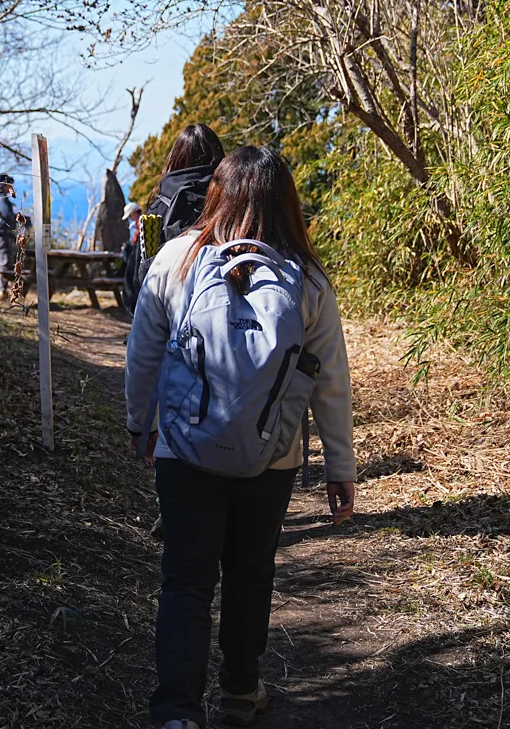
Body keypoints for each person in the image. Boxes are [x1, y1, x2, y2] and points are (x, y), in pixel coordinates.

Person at [125, 146, 355, 729]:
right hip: (271, 457)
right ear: (287, 202)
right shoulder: (308, 281)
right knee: (251, 574)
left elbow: (143, 353)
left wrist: (140, 423)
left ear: (216, 194)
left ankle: (177, 711)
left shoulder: (177, 258)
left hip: (183, 448)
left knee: (185, 580)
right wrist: (339, 469)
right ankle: (239, 691)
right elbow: (331, 383)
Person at [121, 123, 226, 312]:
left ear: (175, 159)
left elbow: (133, 288)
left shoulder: (158, 208)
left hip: (163, 320)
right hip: (220, 317)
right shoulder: (230, 204)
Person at [0, 173, 21, 301]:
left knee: (0, 263)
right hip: (2, 235)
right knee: (5, 264)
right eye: (9, 185)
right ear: (4, 186)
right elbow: (8, 216)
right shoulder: (1, 199)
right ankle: (1, 292)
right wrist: (22, 219)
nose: (11, 188)